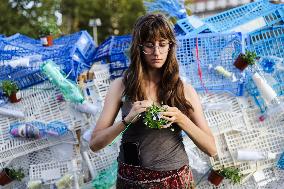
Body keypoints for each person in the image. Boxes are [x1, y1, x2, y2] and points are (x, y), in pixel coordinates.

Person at [89, 13, 217, 188]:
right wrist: (126, 121)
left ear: (170, 46)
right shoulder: (121, 86)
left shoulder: (184, 90)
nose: (157, 52)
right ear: (139, 48)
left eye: (162, 45)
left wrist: (181, 119)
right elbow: (95, 144)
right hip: (131, 181)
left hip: (174, 180)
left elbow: (211, 149)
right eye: (149, 45)